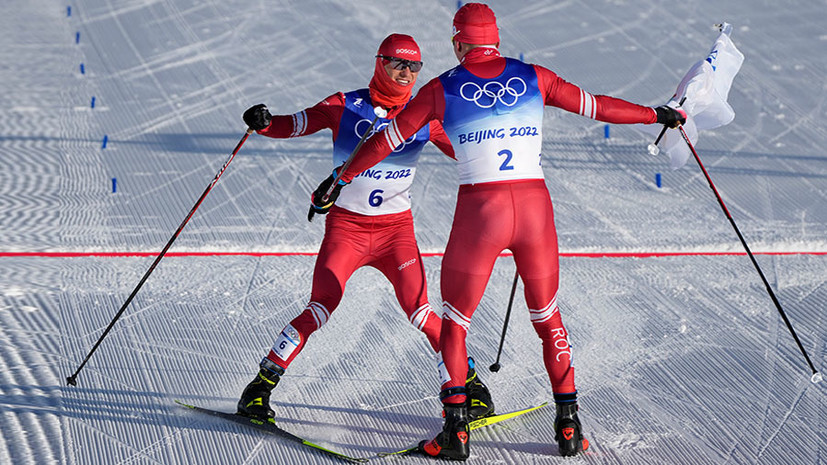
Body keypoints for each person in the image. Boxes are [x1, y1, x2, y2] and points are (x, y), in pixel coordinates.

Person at [312, 4, 687, 460]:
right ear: (496, 40)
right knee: (548, 317)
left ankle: (455, 434)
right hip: (534, 211)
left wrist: (341, 178)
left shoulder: (441, 88)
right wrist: (657, 114)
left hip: (481, 213)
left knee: (454, 323)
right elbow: (598, 106)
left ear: (457, 43)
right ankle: (569, 426)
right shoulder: (535, 76)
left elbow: (385, 141)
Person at [236, 33, 495, 424]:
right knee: (321, 307)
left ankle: (470, 384)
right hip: (347, 230)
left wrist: (505, 161)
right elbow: (297, 123)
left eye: (414, 66)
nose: (406, 72)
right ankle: (259, 388)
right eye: (398, 64)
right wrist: (266, 123)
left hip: (396, 234)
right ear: (381, 63)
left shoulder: (425, 114)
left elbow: (467, 150)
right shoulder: (344, 104)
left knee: (422, 312)